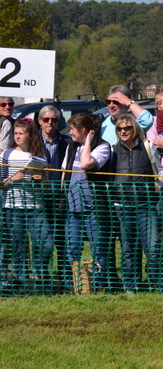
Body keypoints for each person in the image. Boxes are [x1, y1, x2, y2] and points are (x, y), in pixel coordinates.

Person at [110, 114, 163, 293]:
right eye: (120, 129)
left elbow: (159, 171)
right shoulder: (113, 150)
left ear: (134, 129)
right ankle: (131, 286)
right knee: (128, 249)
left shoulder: (148, 146)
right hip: (122, 207)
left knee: (153, 248)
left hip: (147, 206)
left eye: (127, 128)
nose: (123, 132)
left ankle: (162, 286)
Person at [61, 113, 113, 292]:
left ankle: (99, 286)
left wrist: (88, 142)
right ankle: (73, 286)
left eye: (73, 130)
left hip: (94, 209)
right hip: (73, 207)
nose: (71, 134)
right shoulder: (71, 147)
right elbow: (64, 172)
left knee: (98, 250)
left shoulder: (102, 146)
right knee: (72, 248)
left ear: (83, 130)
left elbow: (85, 164)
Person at [0, 119, 50, 293]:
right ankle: (22, 283)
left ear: (30, 135)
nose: (18, 136)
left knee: (45, 243)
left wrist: (41, 180)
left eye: (21, 133)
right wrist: (11, 180)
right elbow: (0, 184)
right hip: (13, 207)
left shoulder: (39, 156)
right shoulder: (6, 155)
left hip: (36, 208)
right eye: (16, 133)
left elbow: (47, 185)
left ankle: (38, 274)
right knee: (18, 246)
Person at [38, 106, 72, 293]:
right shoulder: (34, 140)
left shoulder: (67, 141)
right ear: (40, 121)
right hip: (39, 198)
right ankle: (41, 277)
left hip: (61, 197)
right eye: (46, 119)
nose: (50, 123)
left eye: (54, 120)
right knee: (43, 240)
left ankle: (64, 279)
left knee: (62, 240)